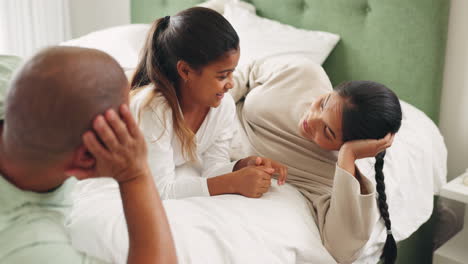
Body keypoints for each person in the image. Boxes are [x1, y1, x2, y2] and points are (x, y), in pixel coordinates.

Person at [0, 46, 177, 264]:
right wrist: (135, 175)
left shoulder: (8, 72)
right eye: (124, 120)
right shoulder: (28, 245)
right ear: (85, 157)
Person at [232, 56, 402, 264]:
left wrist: (348, 155)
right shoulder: (304, 72)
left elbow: (342, 250)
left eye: (328, 132)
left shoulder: (327, 174)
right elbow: (248, 71)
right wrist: (212, 109)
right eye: (323, 103)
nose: (311, 120)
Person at [130, 7, 287, 200]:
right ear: (186, 71)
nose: (231, 83)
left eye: (232, 72)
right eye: (222, 75)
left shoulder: (222, 105)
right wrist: (232, 182)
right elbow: (159, 190)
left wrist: (242, 166)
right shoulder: (154, 109)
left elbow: (213, 168)